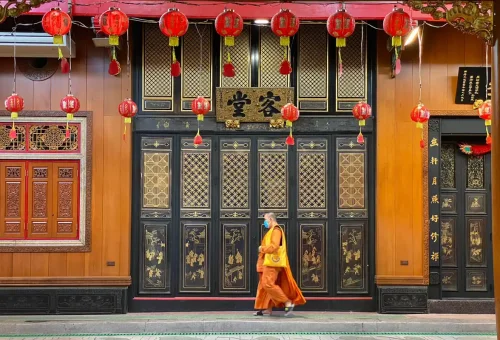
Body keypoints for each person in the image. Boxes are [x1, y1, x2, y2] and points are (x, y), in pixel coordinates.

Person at [254, 212, 306, 317]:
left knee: (268, 284)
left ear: (271, 219)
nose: (264, 222)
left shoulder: (276, 230)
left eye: (265, 220)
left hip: (272, 263)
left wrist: (262, 248)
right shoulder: (271, 231)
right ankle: (267, 308)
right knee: (264, 286)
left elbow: (274, 246)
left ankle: (287, 302)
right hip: (266, 262)